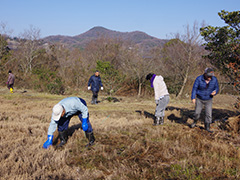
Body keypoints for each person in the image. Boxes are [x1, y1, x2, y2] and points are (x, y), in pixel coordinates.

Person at [190, 68, 219, 133]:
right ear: (205, 74)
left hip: (209, 99)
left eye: (211, 76)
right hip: (199, 98)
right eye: (208, 76)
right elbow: (194, 88)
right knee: (197, 113)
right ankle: (194, 122)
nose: (209, 78)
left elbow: (217, 88)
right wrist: (193, 98)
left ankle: (207, 127)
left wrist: (215, 92)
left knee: (208, 114)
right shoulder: (199, 79)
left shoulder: (214, 79)